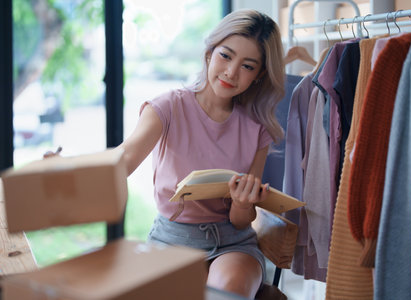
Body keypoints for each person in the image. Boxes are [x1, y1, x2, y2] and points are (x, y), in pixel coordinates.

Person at [47, 9, 285, 299]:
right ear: (210, 52)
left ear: (259, 75)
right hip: (172, 240)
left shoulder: (257, 130)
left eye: (247, 66)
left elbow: (240, 220)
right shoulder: (168, 107)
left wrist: (242, 202)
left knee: (229, 291)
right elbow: (123, 159)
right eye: (226, 55)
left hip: (233, 244)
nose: (231, 72)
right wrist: (69, 170)